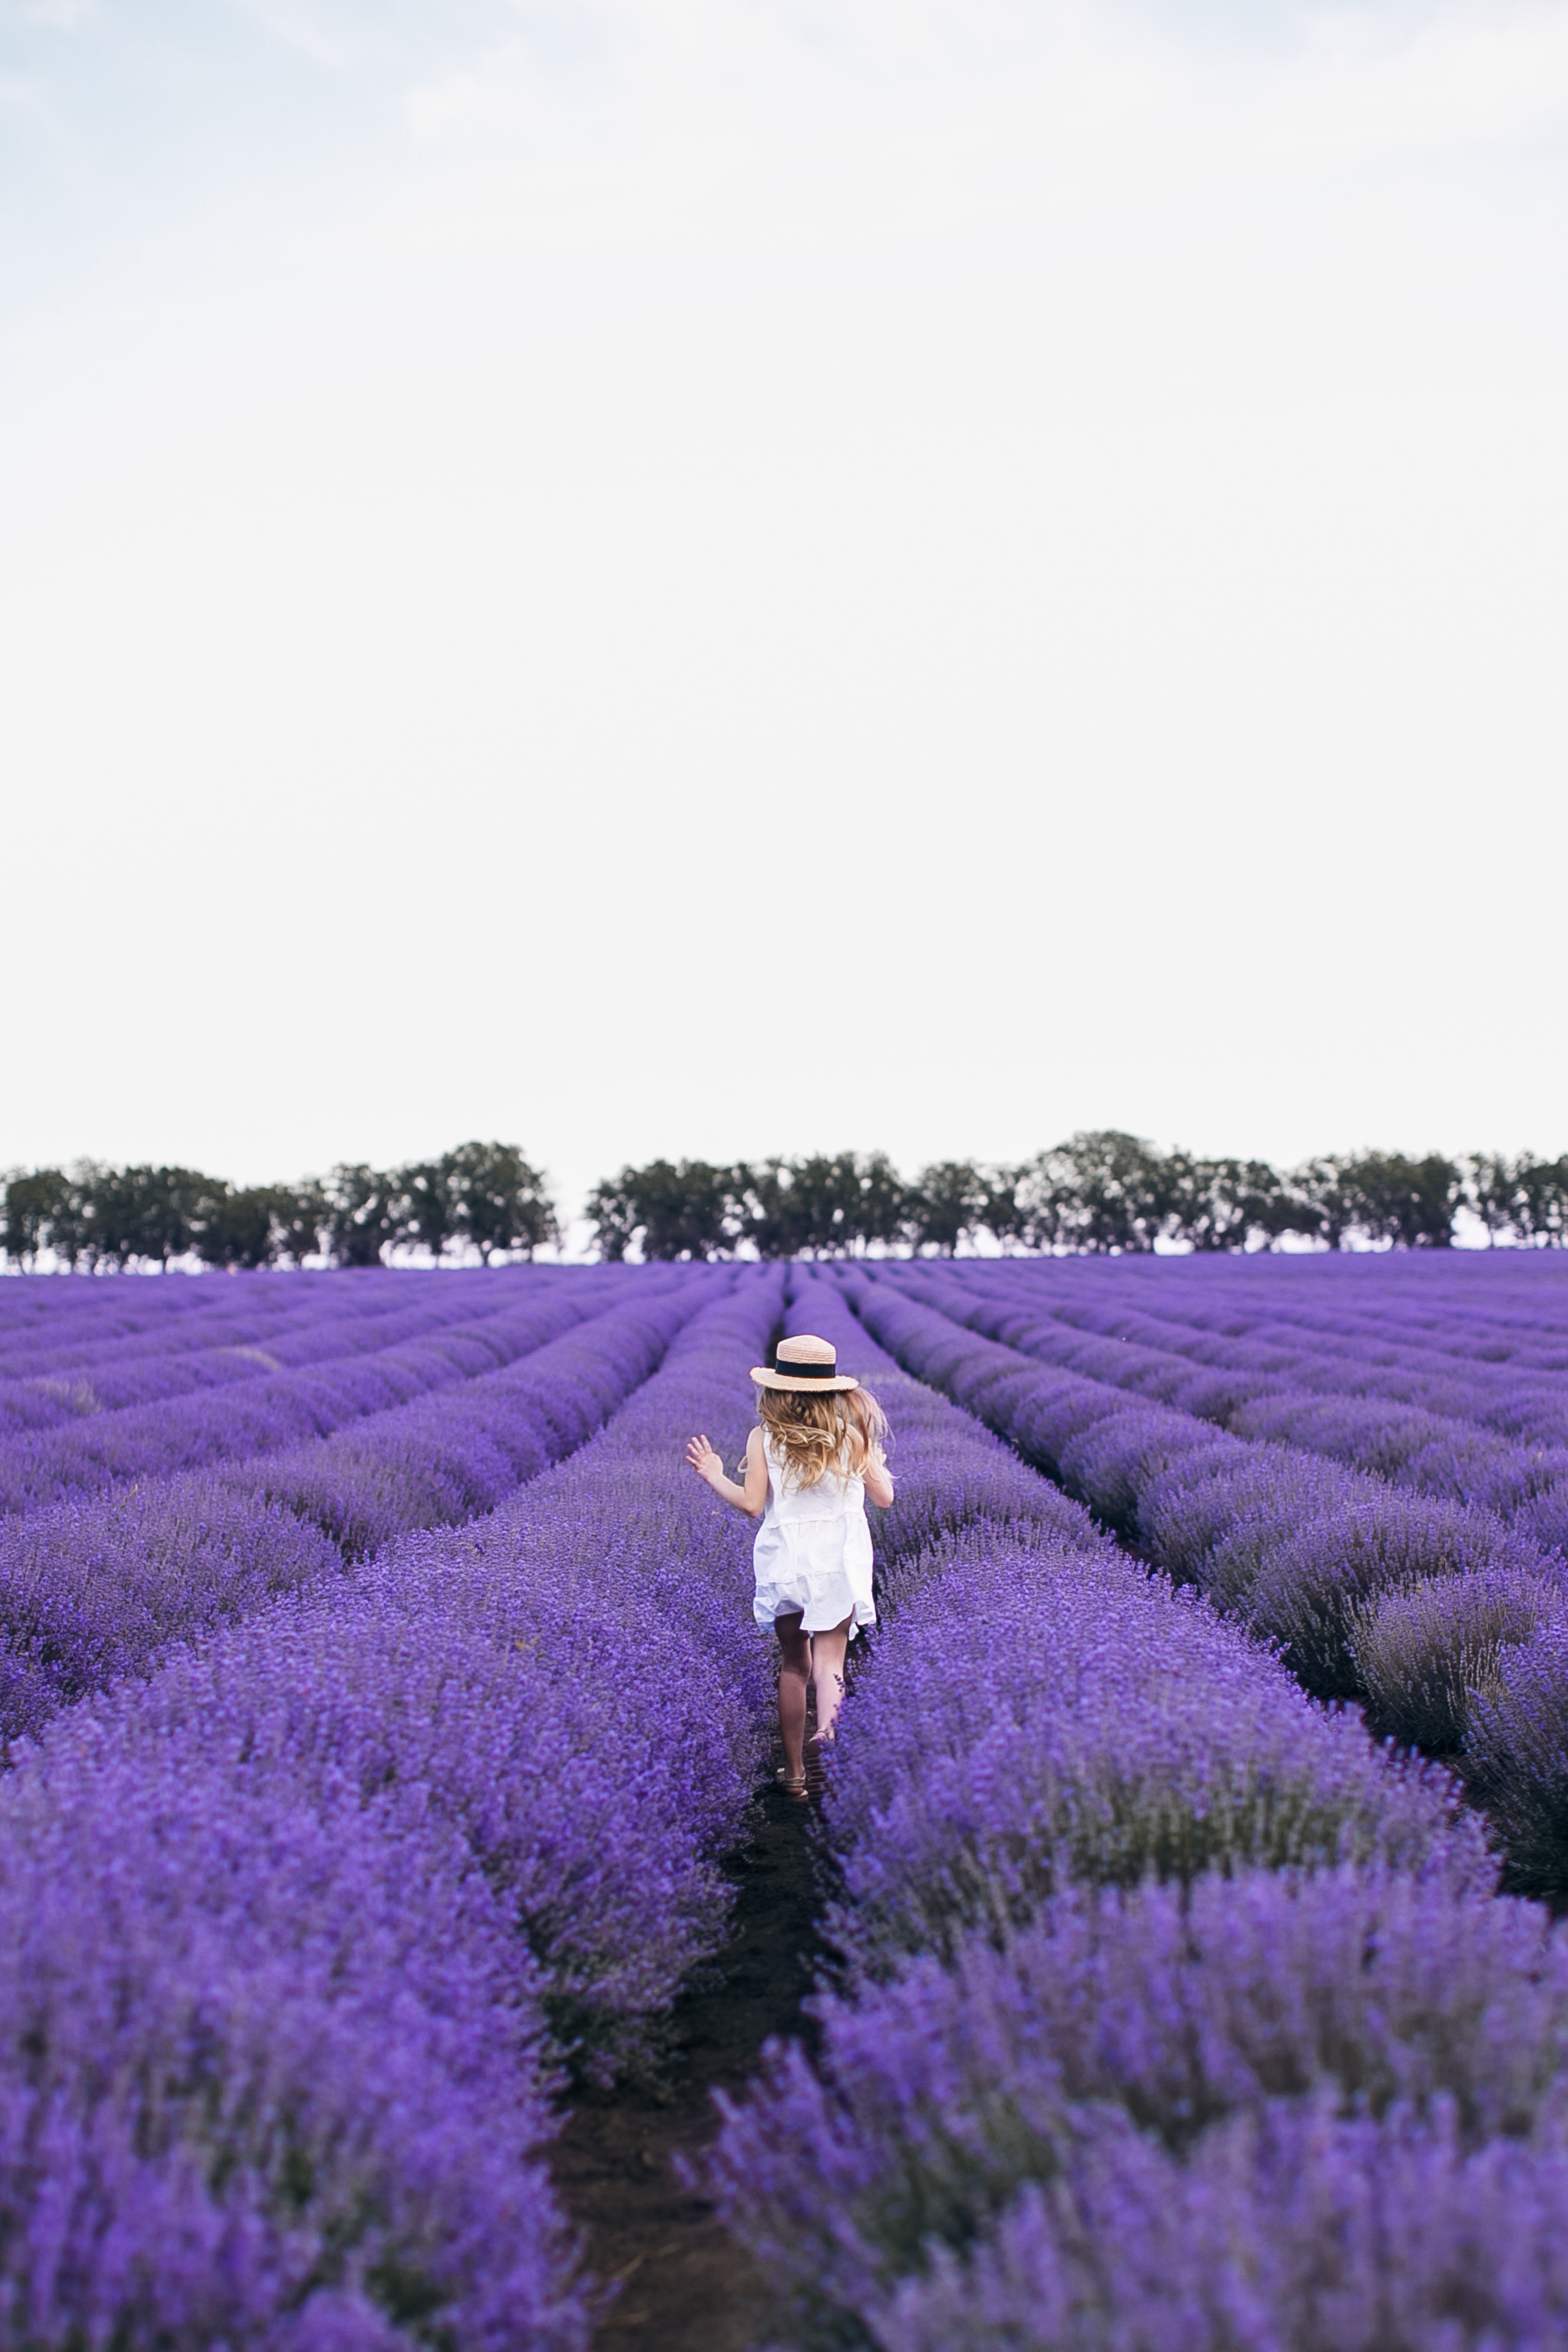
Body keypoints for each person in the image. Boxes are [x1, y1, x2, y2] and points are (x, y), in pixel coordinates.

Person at [686, 1332, 893, 1799]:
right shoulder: (852, 1433)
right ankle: (830, 1738)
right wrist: (874, 1461)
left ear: (777, 1386)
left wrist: (715, 1474)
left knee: (794, 1667)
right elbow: (885, 1498)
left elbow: (752, 1505)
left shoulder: (764, 1437)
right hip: (838, 1560)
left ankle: (796, 1774)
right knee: (829, 1663)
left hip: (787, 1563)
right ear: (833, 1387)